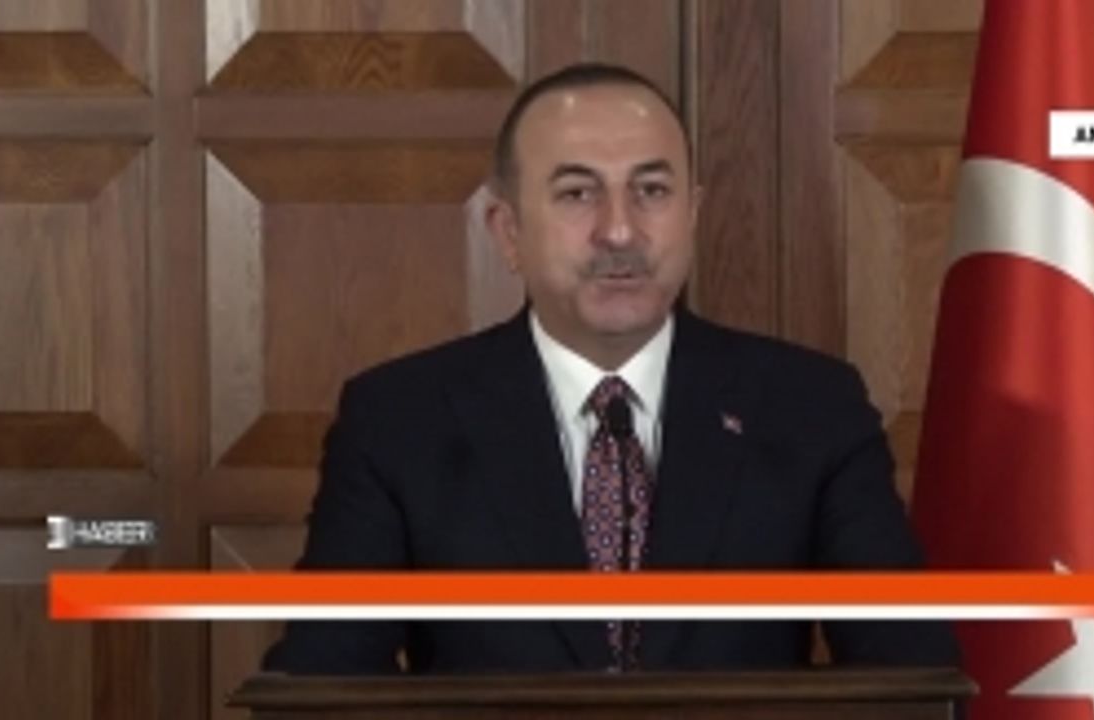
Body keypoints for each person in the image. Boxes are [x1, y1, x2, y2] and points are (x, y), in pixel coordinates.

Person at [263, 62, 959, 674]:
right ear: (509, 232)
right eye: (577, 193)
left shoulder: (811, 407)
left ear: (692, 213)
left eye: (651, 190)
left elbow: (912, 674)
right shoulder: (397, 422)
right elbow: (323, 682)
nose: (620, 230)